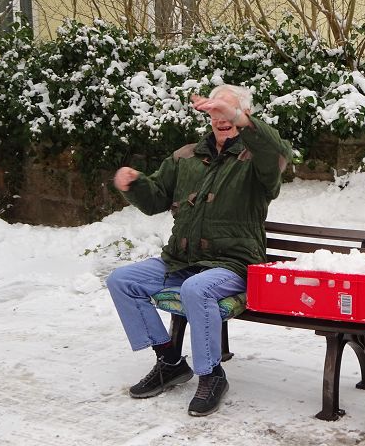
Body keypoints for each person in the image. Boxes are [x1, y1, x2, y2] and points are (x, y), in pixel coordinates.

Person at [107, 84, 292, 417]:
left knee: (196, 289)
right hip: (180, 260)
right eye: (215, 111)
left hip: (233, 264)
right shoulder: (187, 155)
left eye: (228, 111)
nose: (221, 118)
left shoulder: (258, 158)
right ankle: (170, 361)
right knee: (122, 280)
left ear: (243, 115)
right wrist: (134, 183)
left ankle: (211, 374)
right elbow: (155, 199)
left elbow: (275, 149)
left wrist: (244, 120)